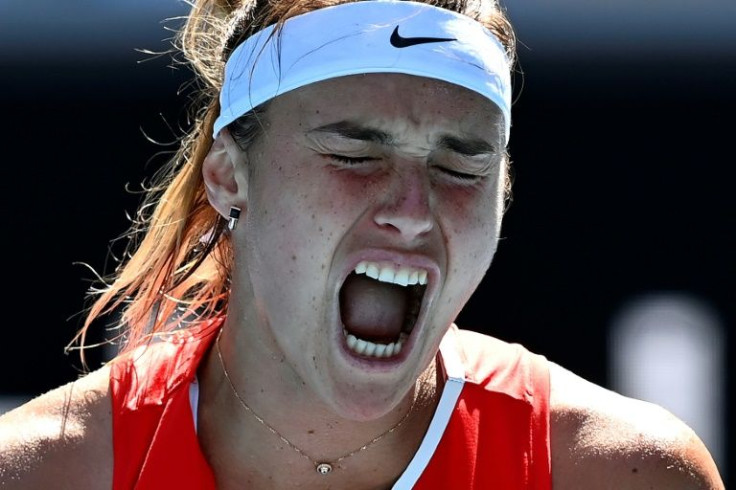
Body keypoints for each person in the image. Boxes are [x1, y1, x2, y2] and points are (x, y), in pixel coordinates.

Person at [0, 0, 725, 488]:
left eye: (460, 165)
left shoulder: (620, 473)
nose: (413, 210)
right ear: (229, 178)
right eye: (355, 154)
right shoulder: (47, 472)